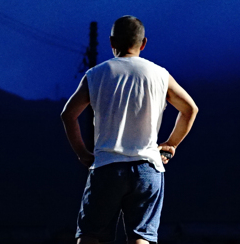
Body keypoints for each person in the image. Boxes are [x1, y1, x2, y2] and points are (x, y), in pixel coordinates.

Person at [61, 15, 199, 244]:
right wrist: (171, 144)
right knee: (141, 237)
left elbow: (68, 115)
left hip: (107, 166)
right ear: (143, 43)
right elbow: (190, 109)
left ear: (111, 42)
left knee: (91, 236)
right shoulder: (160, 74)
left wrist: (82, 153)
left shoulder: (96, 74)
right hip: (148, 167)